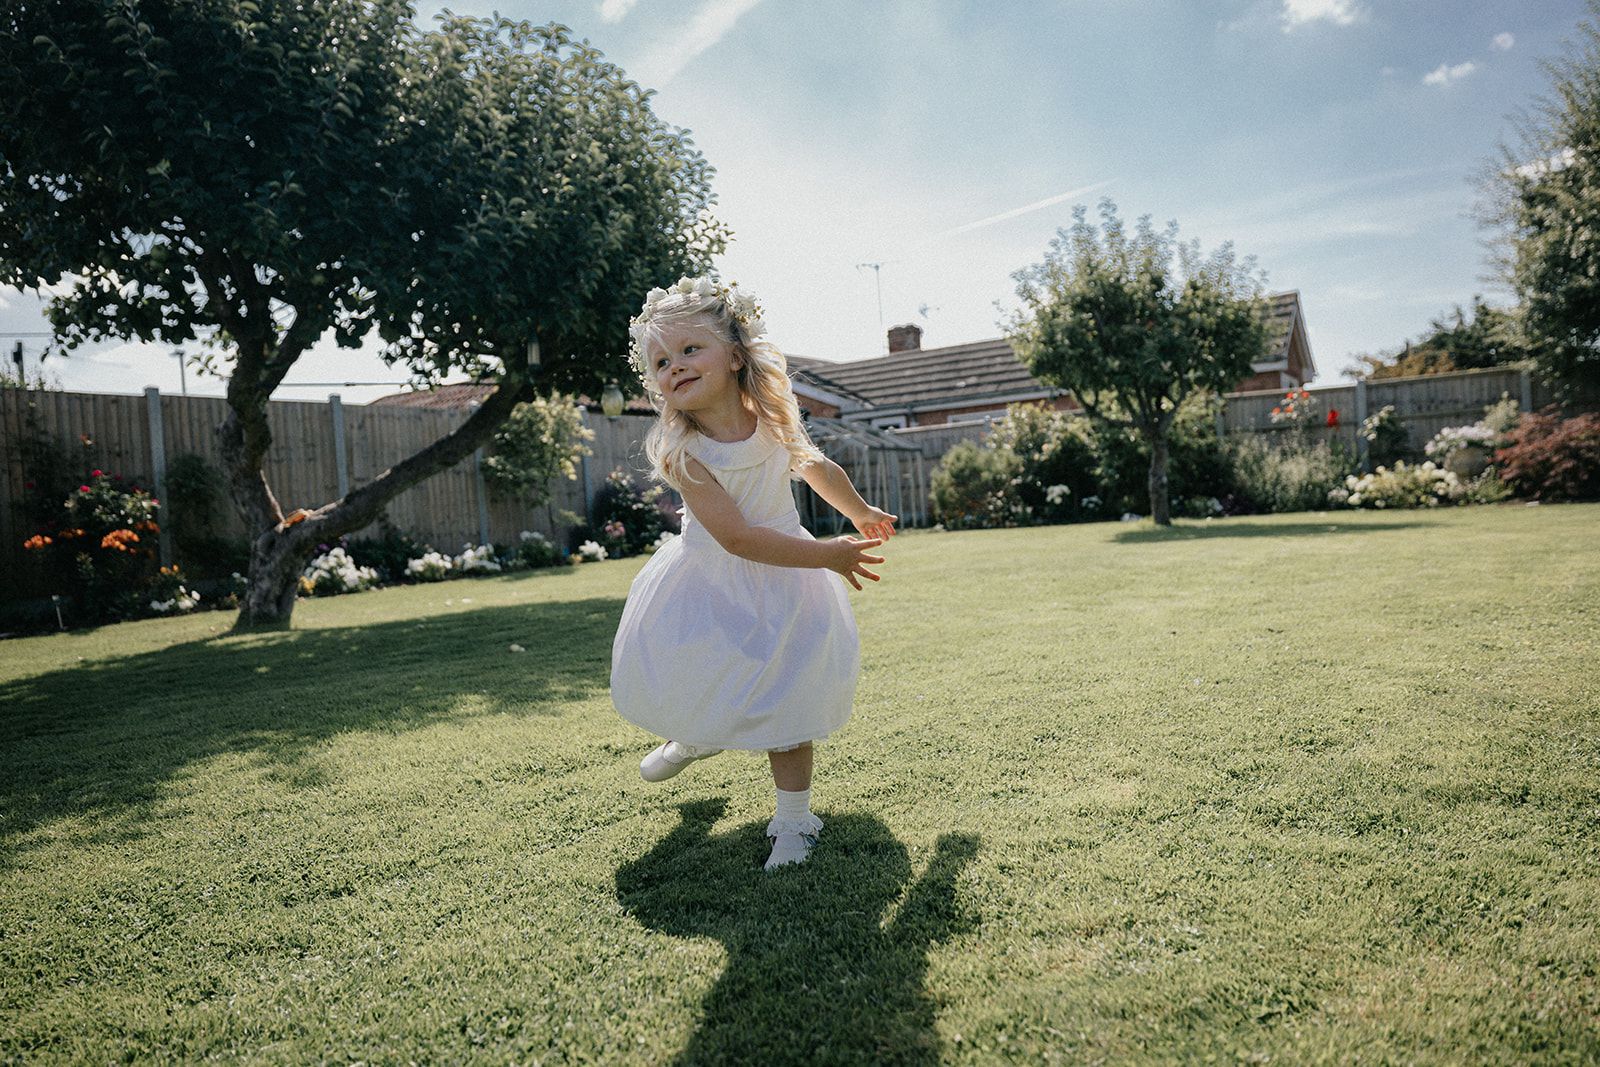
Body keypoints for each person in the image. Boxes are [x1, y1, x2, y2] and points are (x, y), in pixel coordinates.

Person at [610, 276, 897, 871]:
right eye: (662, 361)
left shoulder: (769, 415)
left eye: (691, 350)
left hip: (786, 574)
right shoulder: (682, 450)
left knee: (787, 692)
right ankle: (695, 735)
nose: (676, 366)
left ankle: (793, 821)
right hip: (712, 579)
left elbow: (815, 467)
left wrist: (859, 512)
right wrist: (830, 555)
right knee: (711, 675)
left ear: (735, 356)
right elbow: (738, 539)